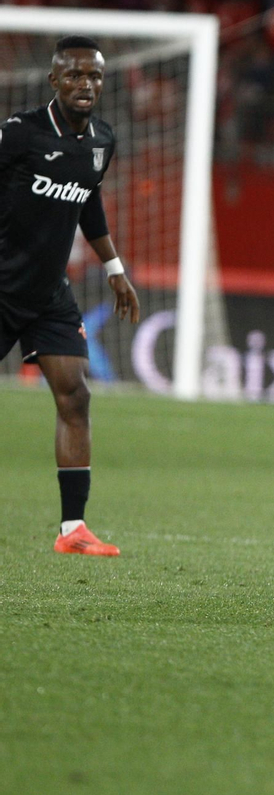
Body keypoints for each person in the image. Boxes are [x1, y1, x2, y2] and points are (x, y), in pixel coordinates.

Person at [0, 35, 140, 556]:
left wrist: (114, 268)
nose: (86, 84)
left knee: (75, 394)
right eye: (75, 75)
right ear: (54, 80)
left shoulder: (102, 140)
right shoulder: (21, 133)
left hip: (48, 293)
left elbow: (88, 203)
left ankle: (73, 529)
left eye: (95, 76)